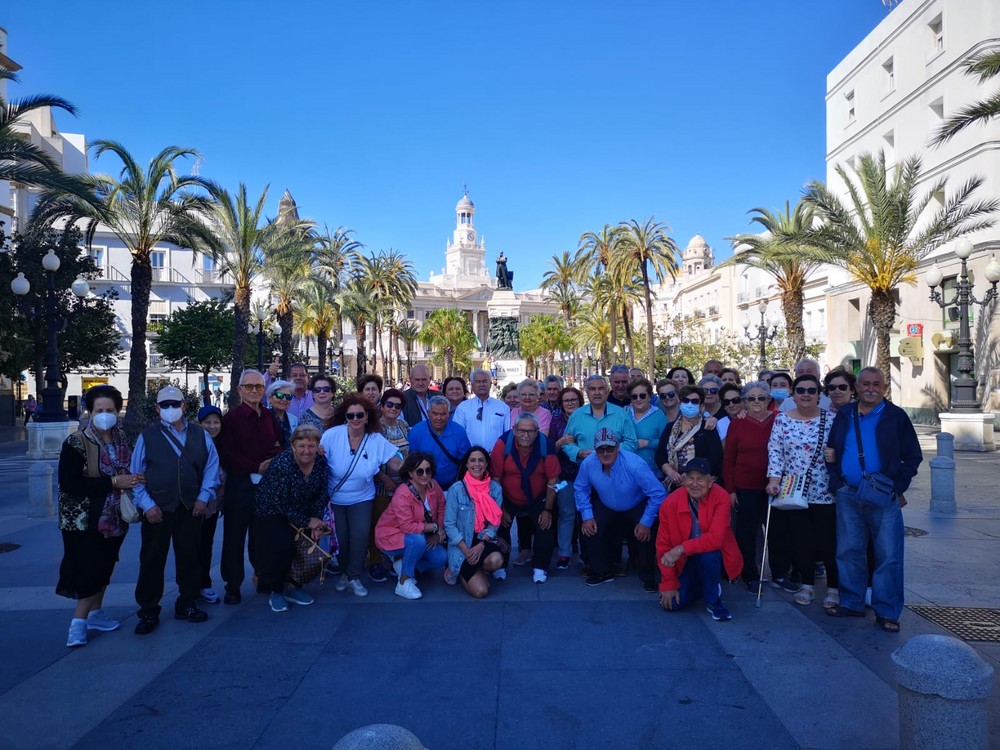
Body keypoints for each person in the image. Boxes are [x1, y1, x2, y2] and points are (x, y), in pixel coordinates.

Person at [824, 367, 922, 633]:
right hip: (849, 494)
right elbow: (831, 450)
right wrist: (837, 484)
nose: (871, 388)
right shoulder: (845, 414)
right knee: (848, 551)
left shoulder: (896, 417)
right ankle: (852, 603)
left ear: (884, 387)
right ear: (856, 387)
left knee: (888, 555)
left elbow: (913, 456)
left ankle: (887, 611)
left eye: (876, 384)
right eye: (865, 383)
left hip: (883, 497)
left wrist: (896, 486)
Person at [131, 386, 221, 634]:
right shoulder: (147, 437)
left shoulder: (200, 435)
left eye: (175, 403)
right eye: (165, 404)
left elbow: (211, 467)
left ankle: (187, 602)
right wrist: (147, 505)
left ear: (184, 406)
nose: (171, 408)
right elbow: (136, 475)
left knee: (190, 556)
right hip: (157, 508)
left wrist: (204, 497)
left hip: (190, 508)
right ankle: (148, 610)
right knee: (151, 560)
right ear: (158, 408)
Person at [57, 385, 139, 647]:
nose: (105, 414)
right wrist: (114, 481)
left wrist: (133, 480)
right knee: (89, 567)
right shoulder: (76, 442)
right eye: (99, 410)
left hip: (114, 516)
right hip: (84, 517)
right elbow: (69, 483)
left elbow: (128, 470)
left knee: (106, 564)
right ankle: (77, 625)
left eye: (110, 410)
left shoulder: (121, 440)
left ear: (118, 411)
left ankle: (96, 613)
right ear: (89, 412)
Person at [322, 394, 404, 597]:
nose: (356, 419)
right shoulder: (332, 435)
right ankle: (344, 574)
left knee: (359, 537)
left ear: (367, 417)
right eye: (351, 416)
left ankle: (354, 576)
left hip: (362, 498)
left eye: (360, 415)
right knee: (340, 540)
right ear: (345, 417)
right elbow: (317, 461)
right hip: (335, 499)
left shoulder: (375, 439)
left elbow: (396, 462)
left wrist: (419, 473)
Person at [766, 374, 837, 607]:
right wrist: (774, 480)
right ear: (793, 394)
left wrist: (835, 456)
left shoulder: (832, 420)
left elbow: (843, 450)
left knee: (827, 541)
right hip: (793, 489)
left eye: (811, 390)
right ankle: (807, 584)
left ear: (819, 394)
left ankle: (833, 587)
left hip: (825, 490)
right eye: (800, 390)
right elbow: (775, 451)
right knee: (801, 540)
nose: (806, 394)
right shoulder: (782, 420)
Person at [217, 369, 284, 604]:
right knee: (234, 538)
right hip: (240, 485)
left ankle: (264, 577)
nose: (254, 391)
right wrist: (256, 466)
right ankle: (232, 585)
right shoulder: (231, 419)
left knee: (263, 536)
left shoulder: (268, 416)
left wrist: (271, 461)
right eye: (249, 387)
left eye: (258, 387)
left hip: (265, 487)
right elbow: (226, 454)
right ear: (239, 390)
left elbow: (279, 443)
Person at [574, 428, 665, 589]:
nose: (605, 453)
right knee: (590, 527)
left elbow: (658, 493)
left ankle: (647, 575)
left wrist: (646, 521)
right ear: (595, 450)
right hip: (606, 502)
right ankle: (601, 571)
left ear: (618, 447)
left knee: (645, 534)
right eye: (600, 449)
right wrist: (587, 515)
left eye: (610, 448)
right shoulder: (588, 463)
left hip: (636, 502)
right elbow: (580, 488)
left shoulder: (634, 464)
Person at [253, 424, 330, 613]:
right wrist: (307, 521)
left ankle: (294, 587)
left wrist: (316, 521)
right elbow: (280, 503)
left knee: (303, 548)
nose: (306, 450)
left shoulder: (320, 462)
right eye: (301, 445)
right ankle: (277, 590)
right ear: (293, 446)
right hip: (271, 510)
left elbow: (321, 493)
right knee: (282, 547)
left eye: (311, 446)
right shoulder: (282, 463)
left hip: (302, 510)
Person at [656, 458, 742, 621]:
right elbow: (662, 545)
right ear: (684, 480)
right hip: (685, 560)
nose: (695, 484)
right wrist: (668, 583)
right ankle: (702, 584)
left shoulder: (721, 497)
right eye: (690, 478)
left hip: (713, 554)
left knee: (708, 555)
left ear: (711, 482)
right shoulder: (670, 503)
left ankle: (714, 601)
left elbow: (716, 540)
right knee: (672, 603)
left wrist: (681, 548)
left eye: (700, 479)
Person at [490, 413, 559, 583]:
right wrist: (500, 508)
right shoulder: (502, 443)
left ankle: (540, 567)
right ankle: (500, 566)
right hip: (507, 495)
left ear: (537, 431)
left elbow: (552, 480)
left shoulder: (546, 446)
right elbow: (496, 478)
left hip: (538, 495)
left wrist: (547, 510)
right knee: (499, 526)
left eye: (530, 431)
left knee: (545, 527)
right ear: (514, 430)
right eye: (521, 431)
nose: (526, 435)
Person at [722, 381, 776, 592]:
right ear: (745, 401)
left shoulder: (779, 420)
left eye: (761, 398)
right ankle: (750, 575)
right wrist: (730, 490)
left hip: (774, 485)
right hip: (745, 486)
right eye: (751, 398)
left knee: (777, 532)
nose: (756, 402)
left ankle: (780, 573)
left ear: (768, 400)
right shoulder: (738, 423)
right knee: (747, 533)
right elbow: (728, 459)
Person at [375, 452, 449, 599]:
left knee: (441, 557)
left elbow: (441, 507)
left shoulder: (434, 487)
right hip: (390, 536)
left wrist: (438, 532)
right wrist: (433, 528)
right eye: (419, 471)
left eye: (428, 470)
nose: (425, 475)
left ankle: (404, 565)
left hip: (418, 534)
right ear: (410, 473)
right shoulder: (403, 493)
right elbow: (407, 527)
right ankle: (404, 581)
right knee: (417, 541)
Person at [445, 447, 506, 598]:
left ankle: (479, 568)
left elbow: (495, 522)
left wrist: (481, 545)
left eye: (481, 460)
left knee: (496, 560)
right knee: (481, 592)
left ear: (486, 464)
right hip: (462, 545)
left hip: (482, 541)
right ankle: (459, 571)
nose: (476, 464)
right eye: (472, 460)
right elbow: (449, 525)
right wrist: (466, 551)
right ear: (466, 464)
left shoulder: (495, 489)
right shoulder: (456, 489)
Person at [366, 387, 409, 583]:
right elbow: (369, 459)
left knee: (398, 526)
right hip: (380, 486)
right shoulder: (374, 429)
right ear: (382, 406)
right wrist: (385, 479)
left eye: (397, 406)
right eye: (389, 404)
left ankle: (395, 561)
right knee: (378, 524)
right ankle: (375, 562)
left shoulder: (403, 425)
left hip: (403, 487)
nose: (393, 408)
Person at [656, 385, 724, 491]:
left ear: (701, 406)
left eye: (695, 401)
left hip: (699, 484)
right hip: (673, 483)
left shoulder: (707, 427)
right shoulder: (670, 428)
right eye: (686, 400)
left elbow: (715, 457)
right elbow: (660, 455)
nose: (689, 404)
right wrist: (671, 472)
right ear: (680, 402)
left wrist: (689, 474)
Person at [562, 375, 638, 467]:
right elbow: (566, 443)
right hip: (586, 470)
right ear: (587, 392)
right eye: (593, 389)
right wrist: (578, 452)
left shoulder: (621, 414)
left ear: (607, 391)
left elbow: (632, 442)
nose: (597, 393)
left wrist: (611, 450)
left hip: (617, 469)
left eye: (601, 388)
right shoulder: (576, 416)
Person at [550, 386, 584, 568]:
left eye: (573, 400)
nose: (570, 403)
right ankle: (564, 552)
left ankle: (587, 552)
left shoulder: (588, 418)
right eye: (566, 401)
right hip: (564, 475)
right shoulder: (556, 422)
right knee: (566, 513)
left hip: (587, 474)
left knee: (587, 515)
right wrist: (561, 442)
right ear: (561, 404)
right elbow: (550, 450)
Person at [408, 396, 472, 491]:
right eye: (435, 413)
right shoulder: (416, 432)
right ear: (428, 413)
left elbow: (467, 461)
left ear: (449, 414)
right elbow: (411, 463)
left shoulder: (459, 432)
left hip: (452, 488)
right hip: (424, 488)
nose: (439, 418)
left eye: (443, 414)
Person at [196, 405, 225, 604]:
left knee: (206, 544)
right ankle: (191, 585)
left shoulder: (223, 444)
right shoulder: (194, 444)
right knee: (192, 545)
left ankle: (204, 583)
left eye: (216, 422)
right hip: (196, 503)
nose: (212, 426)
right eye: (207, 423)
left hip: (213, 505)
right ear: (199, 424)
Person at [454, 369, 511, 451]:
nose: (481, 384)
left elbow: (507, 434)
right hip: (470, 458)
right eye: (478, 382)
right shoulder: (463, 407)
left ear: (490, 384)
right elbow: (457, 435)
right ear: (472, 385)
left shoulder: (502, 407)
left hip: (495, 456)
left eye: (484, 381)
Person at [627, 377, 668, 476]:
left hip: (652, 472)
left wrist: (647, 443)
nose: (638, 399)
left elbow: (667, 442)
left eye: (642, 396)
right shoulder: (624, 414)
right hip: (628, 472)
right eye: (634, 396)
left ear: (650, 396)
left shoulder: (659, 415)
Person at [267, 379, 299, 449]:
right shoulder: (262, 418)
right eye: (279, 395)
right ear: (270, 398)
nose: (284, 399)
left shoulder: (294, 420)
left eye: (288, 396)